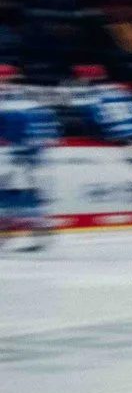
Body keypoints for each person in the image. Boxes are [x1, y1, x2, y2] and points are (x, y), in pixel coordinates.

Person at [0, 63, 62, 253]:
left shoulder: (13, 104)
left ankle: (38, 231)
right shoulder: (30, 101)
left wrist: (28, 149)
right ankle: (25, 230)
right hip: (24, 157)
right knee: (16, 197)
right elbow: (51, 131)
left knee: (20, 196)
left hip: (17, 157)